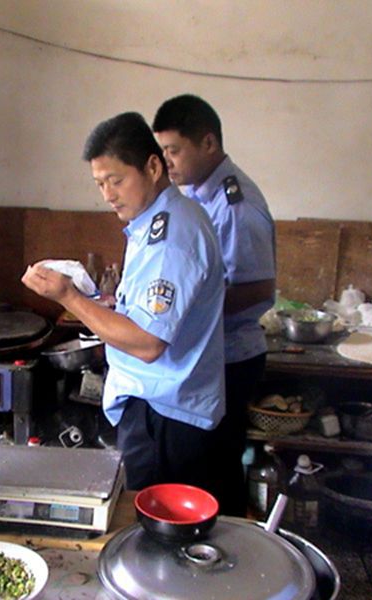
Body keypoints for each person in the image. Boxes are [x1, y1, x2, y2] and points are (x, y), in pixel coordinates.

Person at [22, 112, 228, 504]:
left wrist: (70, 297)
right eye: (100, 184)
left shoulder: (171, 236)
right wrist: (108, 304)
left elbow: (149, 343)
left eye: (116, 180)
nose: (108, 194)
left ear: (153, 167)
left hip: (165, 417)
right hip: (164, 410)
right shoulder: (155, 222)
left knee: (157, 535)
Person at [152, 94, 276, 516]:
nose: (167, 162)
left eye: (174, 150)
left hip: (231, 358)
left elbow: (258, 286)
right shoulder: (195, 197)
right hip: (210, 356)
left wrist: (190, 313)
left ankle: (227, 561)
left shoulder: (233, 204)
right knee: (201, 469)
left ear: (208, 143)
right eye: (162, 151)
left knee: (217, 472)